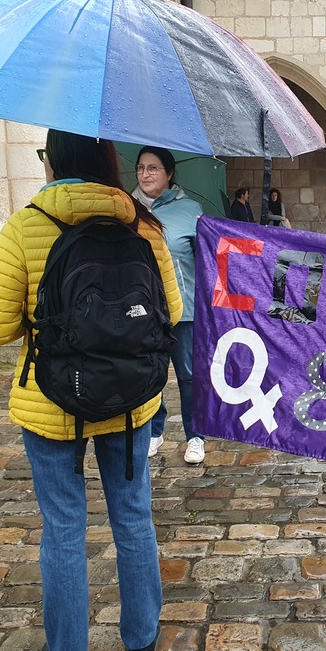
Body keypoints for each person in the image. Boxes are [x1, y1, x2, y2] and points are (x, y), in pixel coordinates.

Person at [0, 130, 183, 651]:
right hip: (132, 400)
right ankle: (141, 641)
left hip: (51, 400)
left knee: (63, 527)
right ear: (107, 161)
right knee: (134, 519)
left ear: (53, 162)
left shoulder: (26, 226)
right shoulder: (144, 225)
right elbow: (173, 311)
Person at [130, 146, 207, 465]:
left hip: (185, 308)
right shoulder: (126, 209)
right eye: (141, 168)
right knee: (149, 373)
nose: (145, 174)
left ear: (169, 173)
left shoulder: (190, 209)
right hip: (143, 310)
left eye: (153, 168)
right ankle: (154, 430)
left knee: (188, 375)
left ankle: (195, 435)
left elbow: (207, 261)